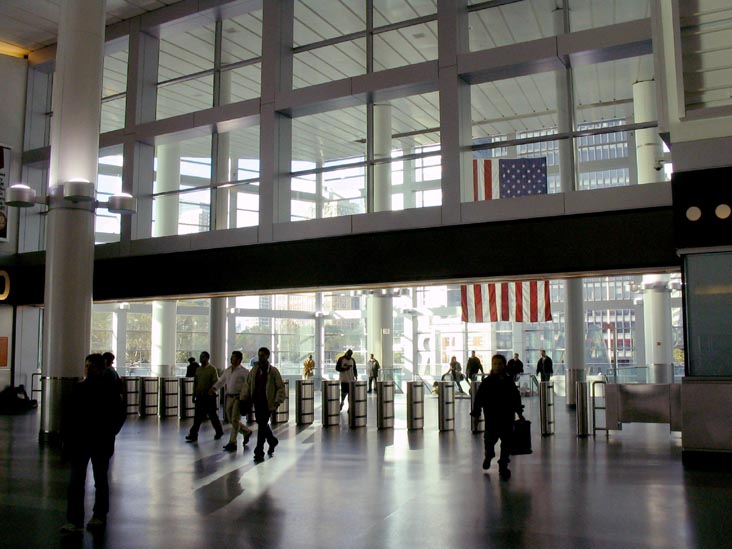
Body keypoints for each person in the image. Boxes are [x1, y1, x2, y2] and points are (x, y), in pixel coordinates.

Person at [60, 353, 126, 534]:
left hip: (98, 441)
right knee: (77, 481)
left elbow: (118, 415)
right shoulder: (81, 388)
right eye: (86, 365)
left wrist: (109, 433)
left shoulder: (107, 391)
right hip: (83, 442)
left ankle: (96, 515)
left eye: (92, 366)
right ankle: (77, 519)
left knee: (98, 480)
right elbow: (69, 416)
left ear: (101, 369)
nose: (88, 369)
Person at [471, 354, 525, 480]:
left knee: (507, 444)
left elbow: (515, 398)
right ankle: (489, 455)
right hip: (492, 419)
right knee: (489, 441)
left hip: (507, 418)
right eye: (495, 364)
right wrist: (476, 415)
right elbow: (478, 399)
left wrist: (520, 413)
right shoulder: (487, 382)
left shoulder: (509, 381)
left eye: (500, 364)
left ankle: (503, 466)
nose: (497, 366)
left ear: (504, 365)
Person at [240, 347, 286, 463]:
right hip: (257, 401)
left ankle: (259, 451)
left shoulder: (273, 371)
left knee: (261, 425)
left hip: (268, 402)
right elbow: (248, 384)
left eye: (262, 355)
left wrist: (277, 401)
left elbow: (280, 387)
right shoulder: (254, 370)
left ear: (267, 356)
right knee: (262, 423)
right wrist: (244, 398)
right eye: (259, 355)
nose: (260, 357)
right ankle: (272, 440)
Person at [211, 351, 252, 452]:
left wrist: (244, 397)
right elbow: (221, 381)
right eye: (231, 357)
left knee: (235, 419)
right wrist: (214, 388)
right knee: (230, 419)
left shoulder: (244, 371)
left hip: (238, 398)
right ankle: (246, 431)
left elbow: (248, 384)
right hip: (229, 397)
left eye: (233, 357)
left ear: (238, 359)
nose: (231, 359)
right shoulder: (228, 370)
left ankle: (232, 442)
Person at [185, 352, 224, 442]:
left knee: (212, 415)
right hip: (200, 396)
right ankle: (193, 434)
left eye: (203, 357)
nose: (201, 358)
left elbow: (215, 381)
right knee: (197, 416)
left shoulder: (212, 369)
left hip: (209, 396)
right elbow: (196, 383)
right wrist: (194, 394)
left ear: (207, 358)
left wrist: (212, 390)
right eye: (200, 357)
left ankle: (219, 431)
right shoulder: (198, 370)